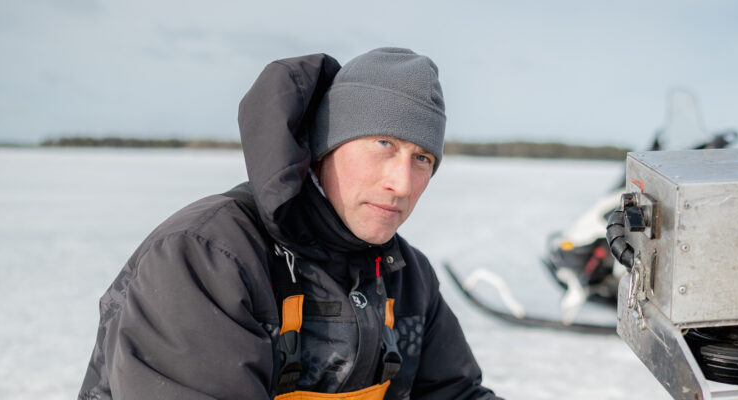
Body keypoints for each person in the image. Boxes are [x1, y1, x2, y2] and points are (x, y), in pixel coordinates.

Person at [79, 48, 500, 400]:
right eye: (384, 144)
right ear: (324, 146)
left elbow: (454, 393)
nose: (402, 183)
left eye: (422, 159)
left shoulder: (405, 277)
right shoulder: (207, 255)